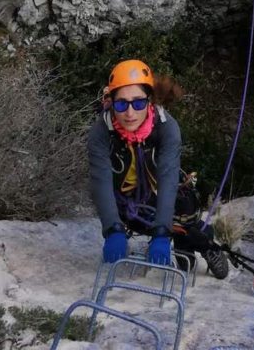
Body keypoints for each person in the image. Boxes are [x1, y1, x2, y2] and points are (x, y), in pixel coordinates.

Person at [87, 58, 228, 278]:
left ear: (150, 101)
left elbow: (168, 178)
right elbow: (100, 180)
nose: (130, 113)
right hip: (126, 199)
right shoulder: (101, 131)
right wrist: (112, 229)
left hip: (157, 191)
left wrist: (162, 231)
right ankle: (177, 240)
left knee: (184, 218)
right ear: (112, 102)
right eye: (122, 104)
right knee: (139, 219)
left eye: (138, 103)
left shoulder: (166, 127)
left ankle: (206, 245)